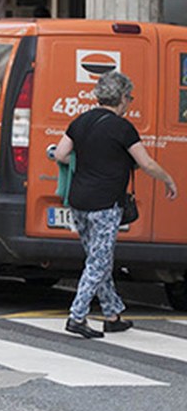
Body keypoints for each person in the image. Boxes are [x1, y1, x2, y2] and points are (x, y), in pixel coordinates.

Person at [54, 71, 178, 339]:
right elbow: (145, 163)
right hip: (105, 204)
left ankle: (112, 315)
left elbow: (61, 154)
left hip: (79, 201)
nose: (129, 103)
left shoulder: (80, 122)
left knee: (98, 258)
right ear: (122, 97)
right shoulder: (123, 128)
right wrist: (168, 179)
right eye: (129, 98)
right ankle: (77, 316)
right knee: (99, 262)